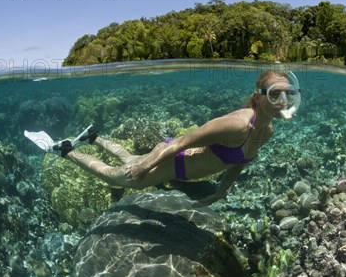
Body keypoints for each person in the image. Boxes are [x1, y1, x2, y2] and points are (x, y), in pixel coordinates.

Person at [25, 71, 301, 206]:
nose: (283, 101)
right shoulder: (238, 124)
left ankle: (93, 138)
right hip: (172, 161)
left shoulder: (266, 131)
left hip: (174, 163)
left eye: (287, 94)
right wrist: (145, 169)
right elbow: (183, 141)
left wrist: (221, 192)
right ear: (260, 97)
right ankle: (62, 150)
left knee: (130, 160)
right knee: (116, 176)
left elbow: (240, 162)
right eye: (275, 94)